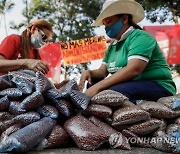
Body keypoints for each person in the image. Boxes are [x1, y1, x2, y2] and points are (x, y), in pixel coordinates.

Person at [79, 0, 176, 104]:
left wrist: (97, 88)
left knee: (112, 93)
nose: (106, 27)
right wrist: (89, 72)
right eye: (104, 24)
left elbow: (133, 69)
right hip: (130, 84)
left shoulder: (140, 37)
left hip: (157, 85)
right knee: (92, 82)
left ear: (124, 19)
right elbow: (102, 72)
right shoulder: (112, 46)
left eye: (109, 21)